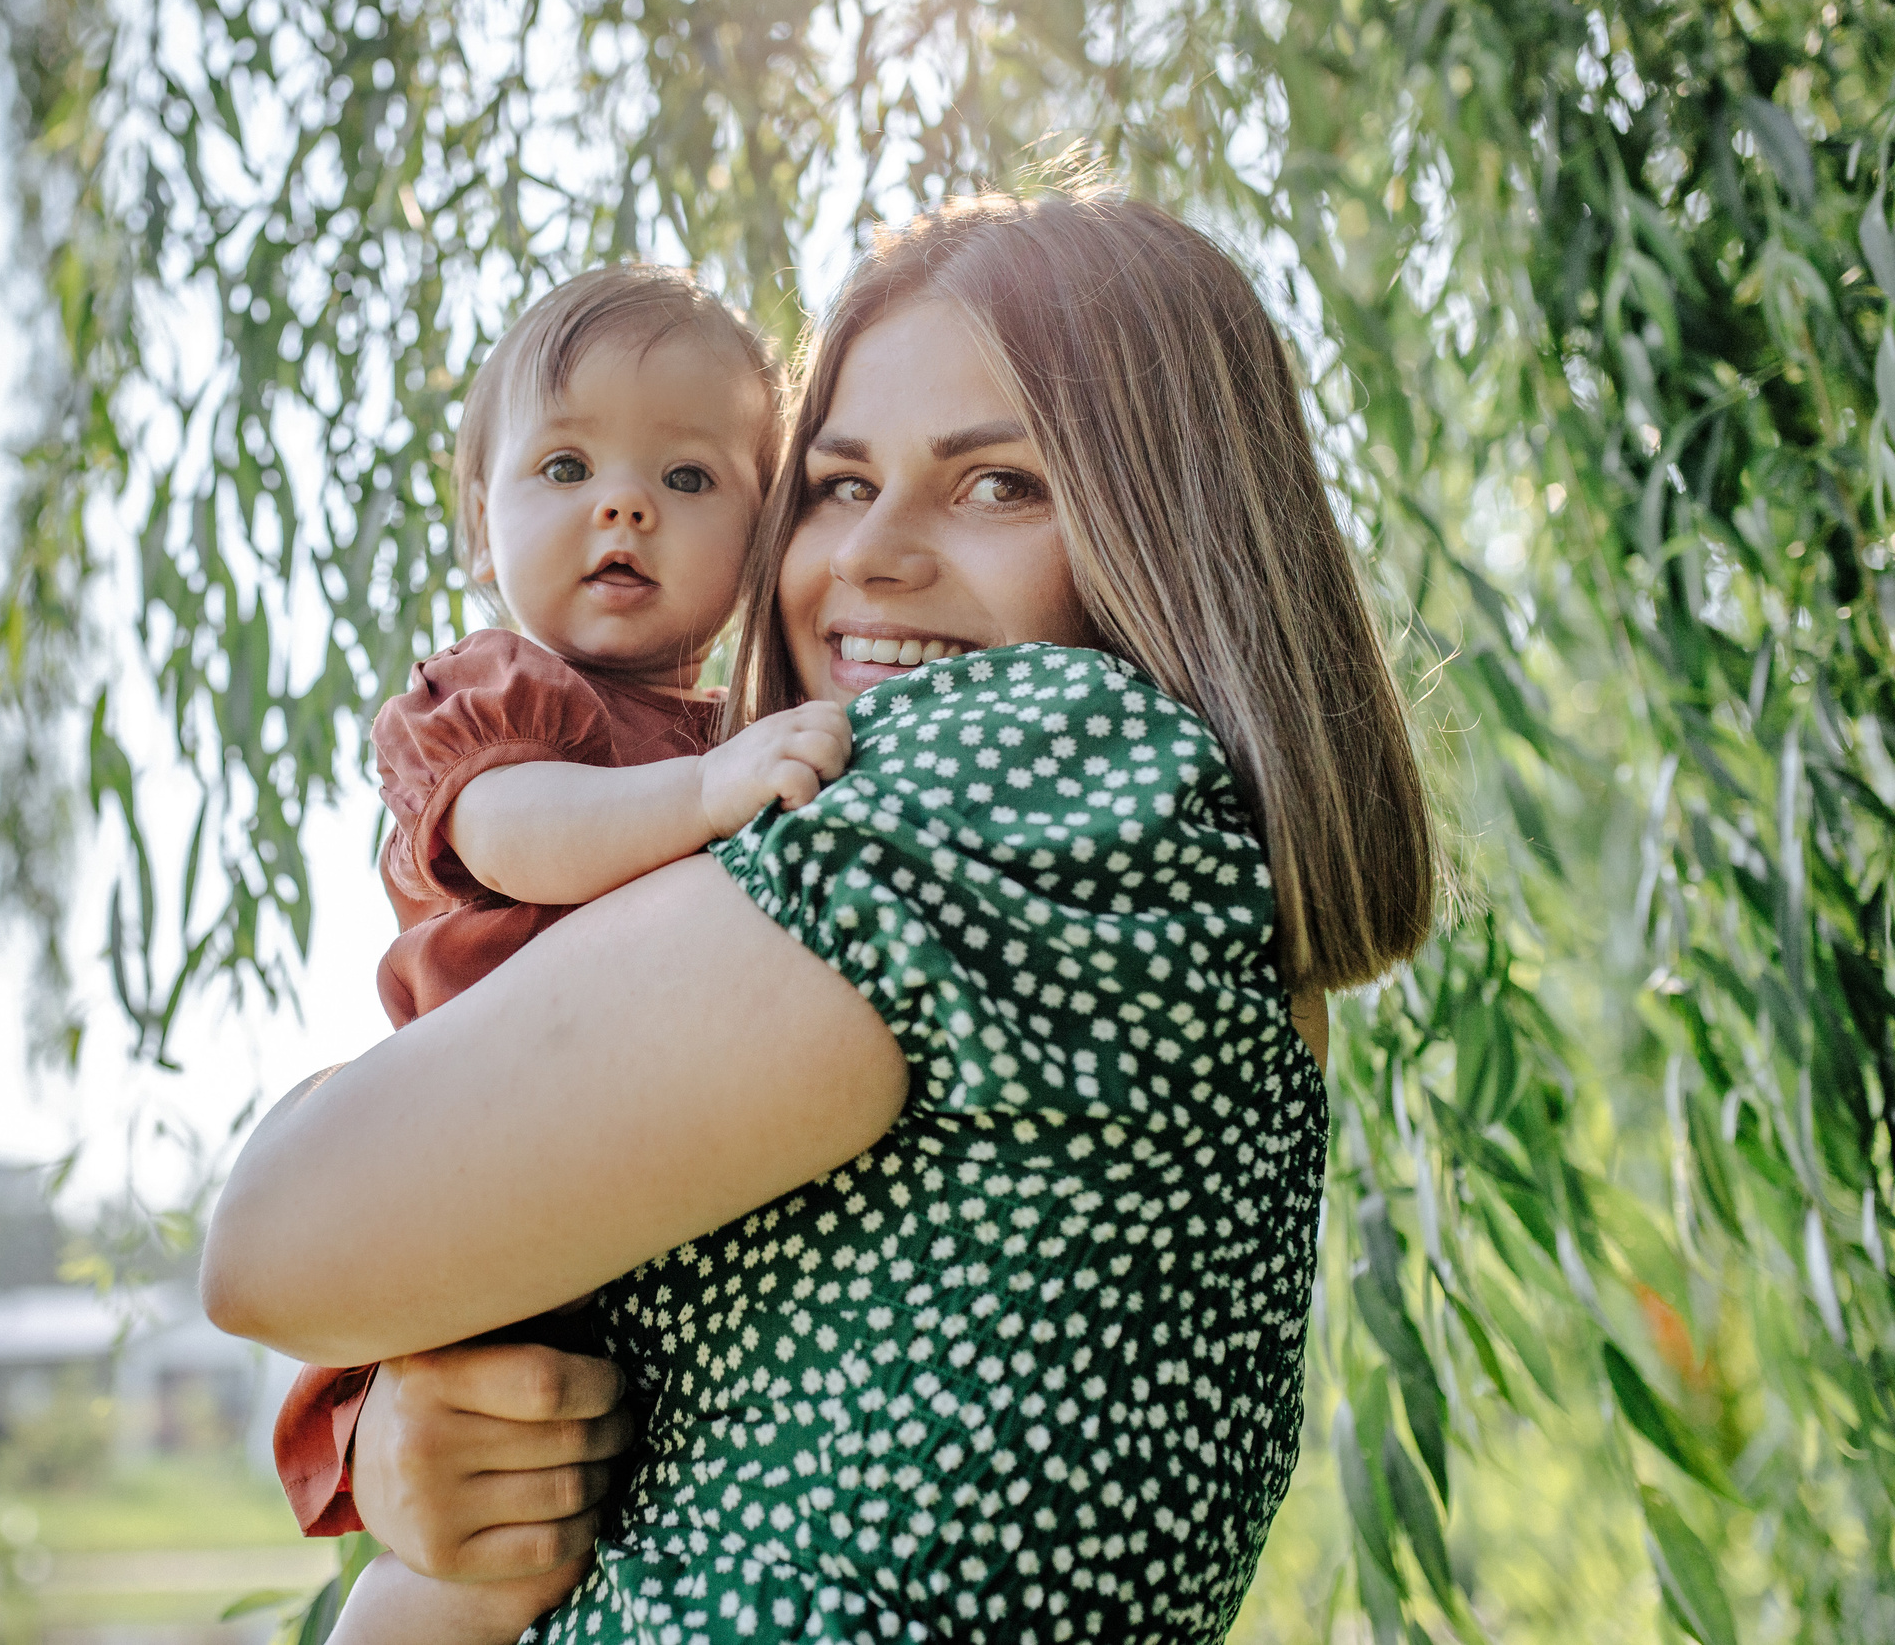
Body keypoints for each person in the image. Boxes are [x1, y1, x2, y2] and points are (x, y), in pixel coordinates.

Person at [208, 184, 1435, 1645]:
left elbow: (272, 1243)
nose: (872, 558)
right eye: (840, 484)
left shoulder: (1053, 766)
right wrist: (423, 1445)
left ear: (1174, 527)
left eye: (1000, 486)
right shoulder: (1153, 873)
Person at [280, 263, 855, 1645]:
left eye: (692, 476)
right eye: (563, 464)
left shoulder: (739, 734)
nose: (624, 504)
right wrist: (709, 802)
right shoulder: (495, 697)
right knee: (497, 1551)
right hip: (476, 1183)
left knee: (585, 1515)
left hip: (607, 1204)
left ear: (762, 535)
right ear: (482, 525)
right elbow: (528, 838)